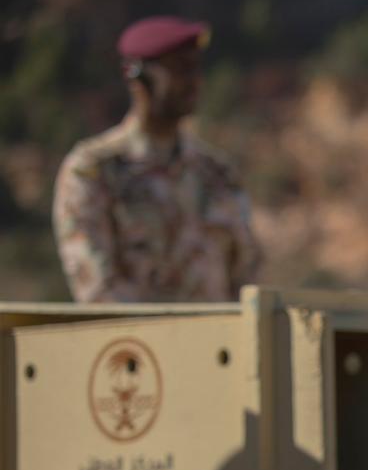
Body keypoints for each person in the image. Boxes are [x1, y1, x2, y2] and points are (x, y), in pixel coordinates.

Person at [52, 16, 261, 302]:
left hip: (217, 343)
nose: (193, 81)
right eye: (179, 70)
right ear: (138, 76)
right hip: (135, 344)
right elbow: (97, 289)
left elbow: (246, 277)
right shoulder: (94, 171)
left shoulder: (217, 174)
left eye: (195, 68)